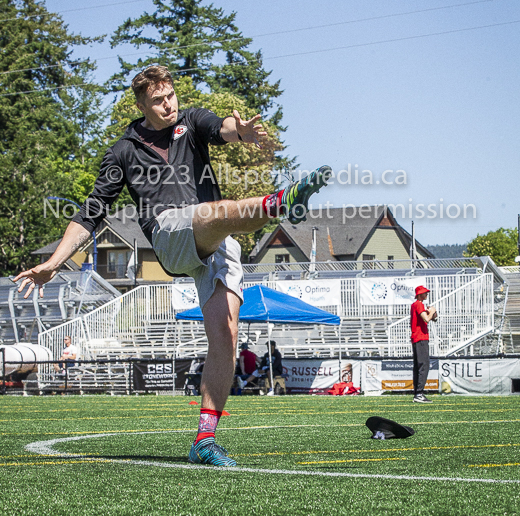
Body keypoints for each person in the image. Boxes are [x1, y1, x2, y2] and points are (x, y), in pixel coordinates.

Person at [14, 65, 332, 467]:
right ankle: (280, 203)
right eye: (158, 101)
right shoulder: (123, 151)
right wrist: (54, 263)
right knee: (215, 212)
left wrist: (241, 131)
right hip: (170, 234)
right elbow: (91, 213)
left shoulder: (191, 120)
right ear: (141, 105)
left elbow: (222, 127)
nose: (168, 105)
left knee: (226, 334)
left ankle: (204, 439)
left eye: (171, 96)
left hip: (215, 241)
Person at [410, 285, 437, 404]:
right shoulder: (418, 304)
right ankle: (419, 393)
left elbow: (431, 318)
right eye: (425, 293)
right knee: (423, 365)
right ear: (420, 294)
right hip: (420, 338)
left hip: (417, 338)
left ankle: (418, 392)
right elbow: (426, 319)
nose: (427, 295)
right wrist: (432, 311)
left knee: (418, 366)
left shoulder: (416, 305)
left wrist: (433, 314)